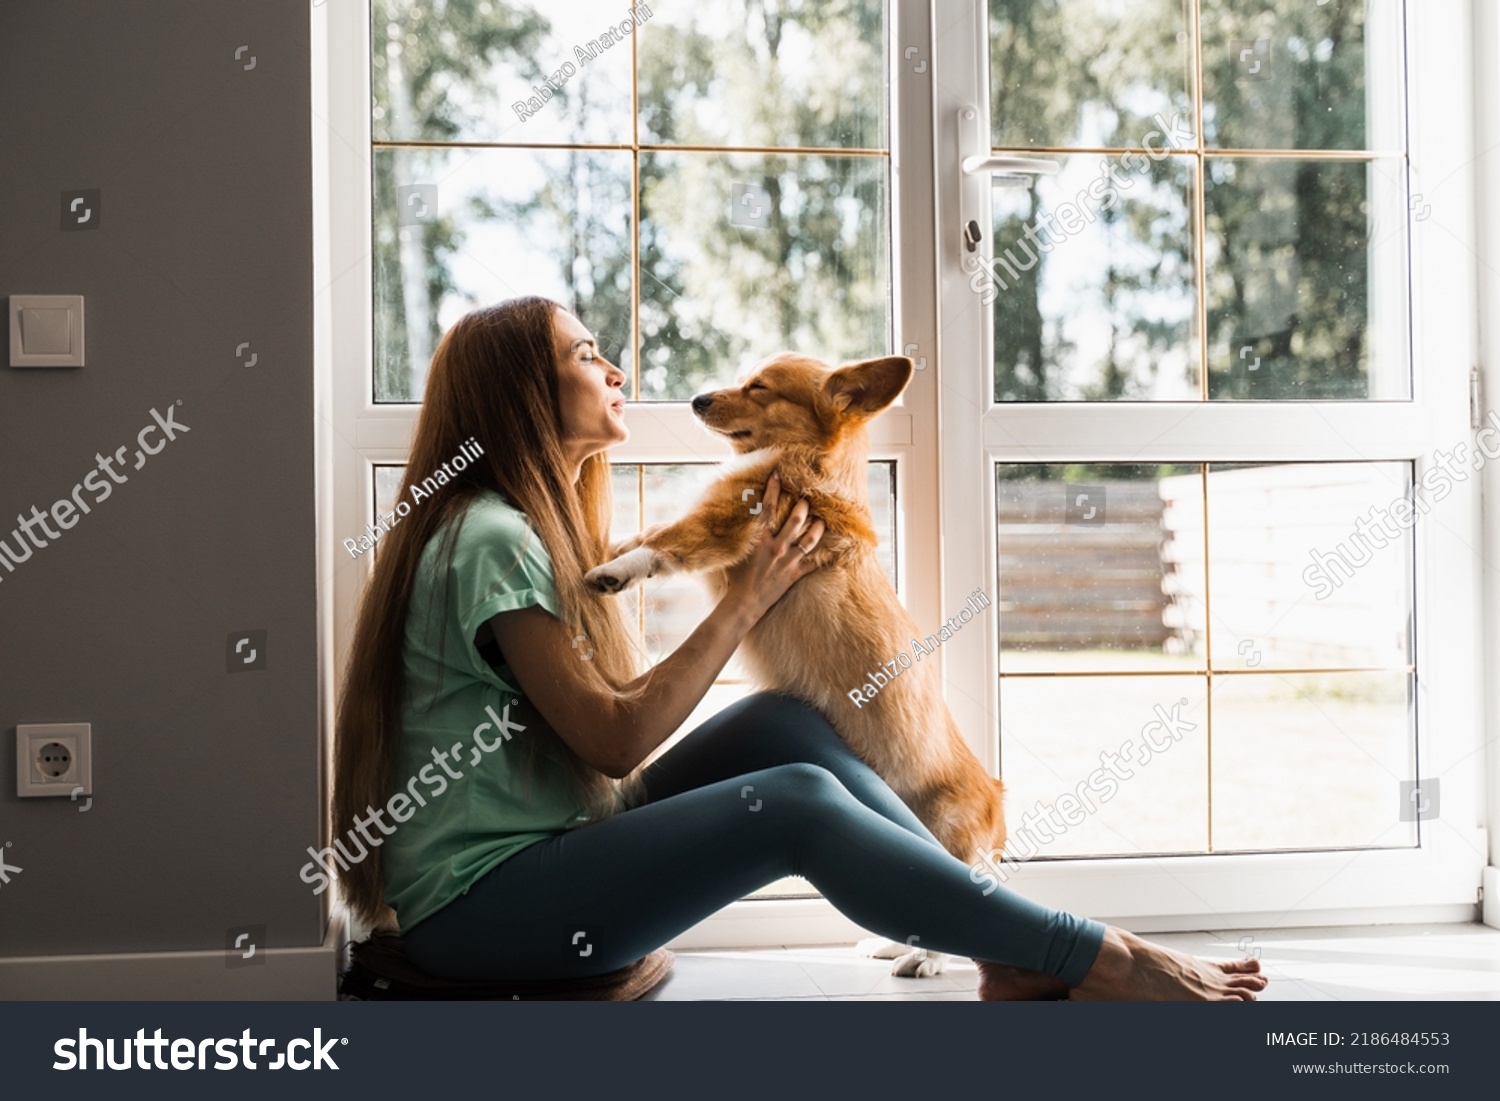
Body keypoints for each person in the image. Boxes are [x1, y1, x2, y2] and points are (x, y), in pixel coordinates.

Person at [331, 295, 1267, 1001]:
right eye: (586, 354)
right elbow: (613, 742)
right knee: (793, 803)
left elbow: (606, 756)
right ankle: (1097, 954)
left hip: (558, 847)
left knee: (786, 723)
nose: (614, 369)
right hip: (487, 911)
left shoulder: (526, 525)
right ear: (523, 393)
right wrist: (749, 593)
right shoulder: (491, 535)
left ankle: (1006, 952)